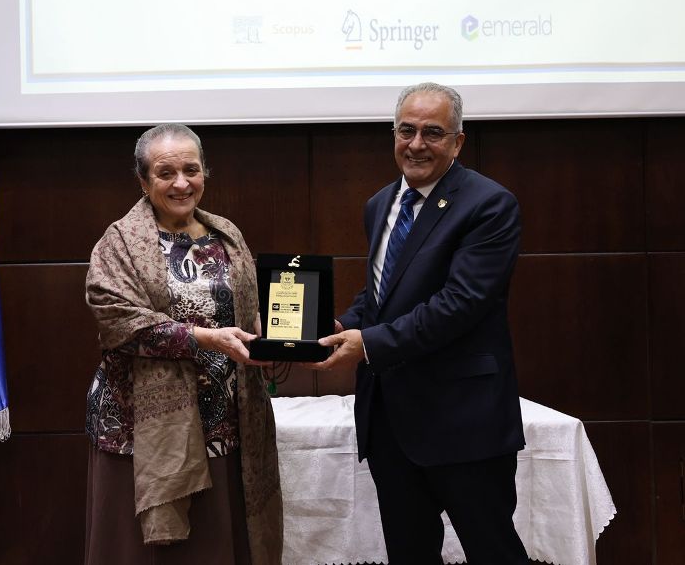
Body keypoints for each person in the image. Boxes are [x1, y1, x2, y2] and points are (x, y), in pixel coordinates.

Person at [308, 83, 529, 564]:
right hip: (391, 423)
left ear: (458, 142)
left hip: (463, 421)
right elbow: (380, 296)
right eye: (406, 131)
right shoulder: (380, 204)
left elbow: (460, 304)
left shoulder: (489, 204)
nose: (416, 144)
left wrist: (368, 343)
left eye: (433, 133)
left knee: (494, 551)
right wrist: (335, 328)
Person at [83, 123, 282, 565]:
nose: (181, 183)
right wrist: (204, 338)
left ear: (205, 172)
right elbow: (119, 321)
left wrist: (288, 333)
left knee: (215, 546)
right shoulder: (119, 243)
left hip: (223, 427)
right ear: (143, 181)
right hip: (141, 432)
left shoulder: (226, 233)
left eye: (191, 170)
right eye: (165, 173)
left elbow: (248, 312)